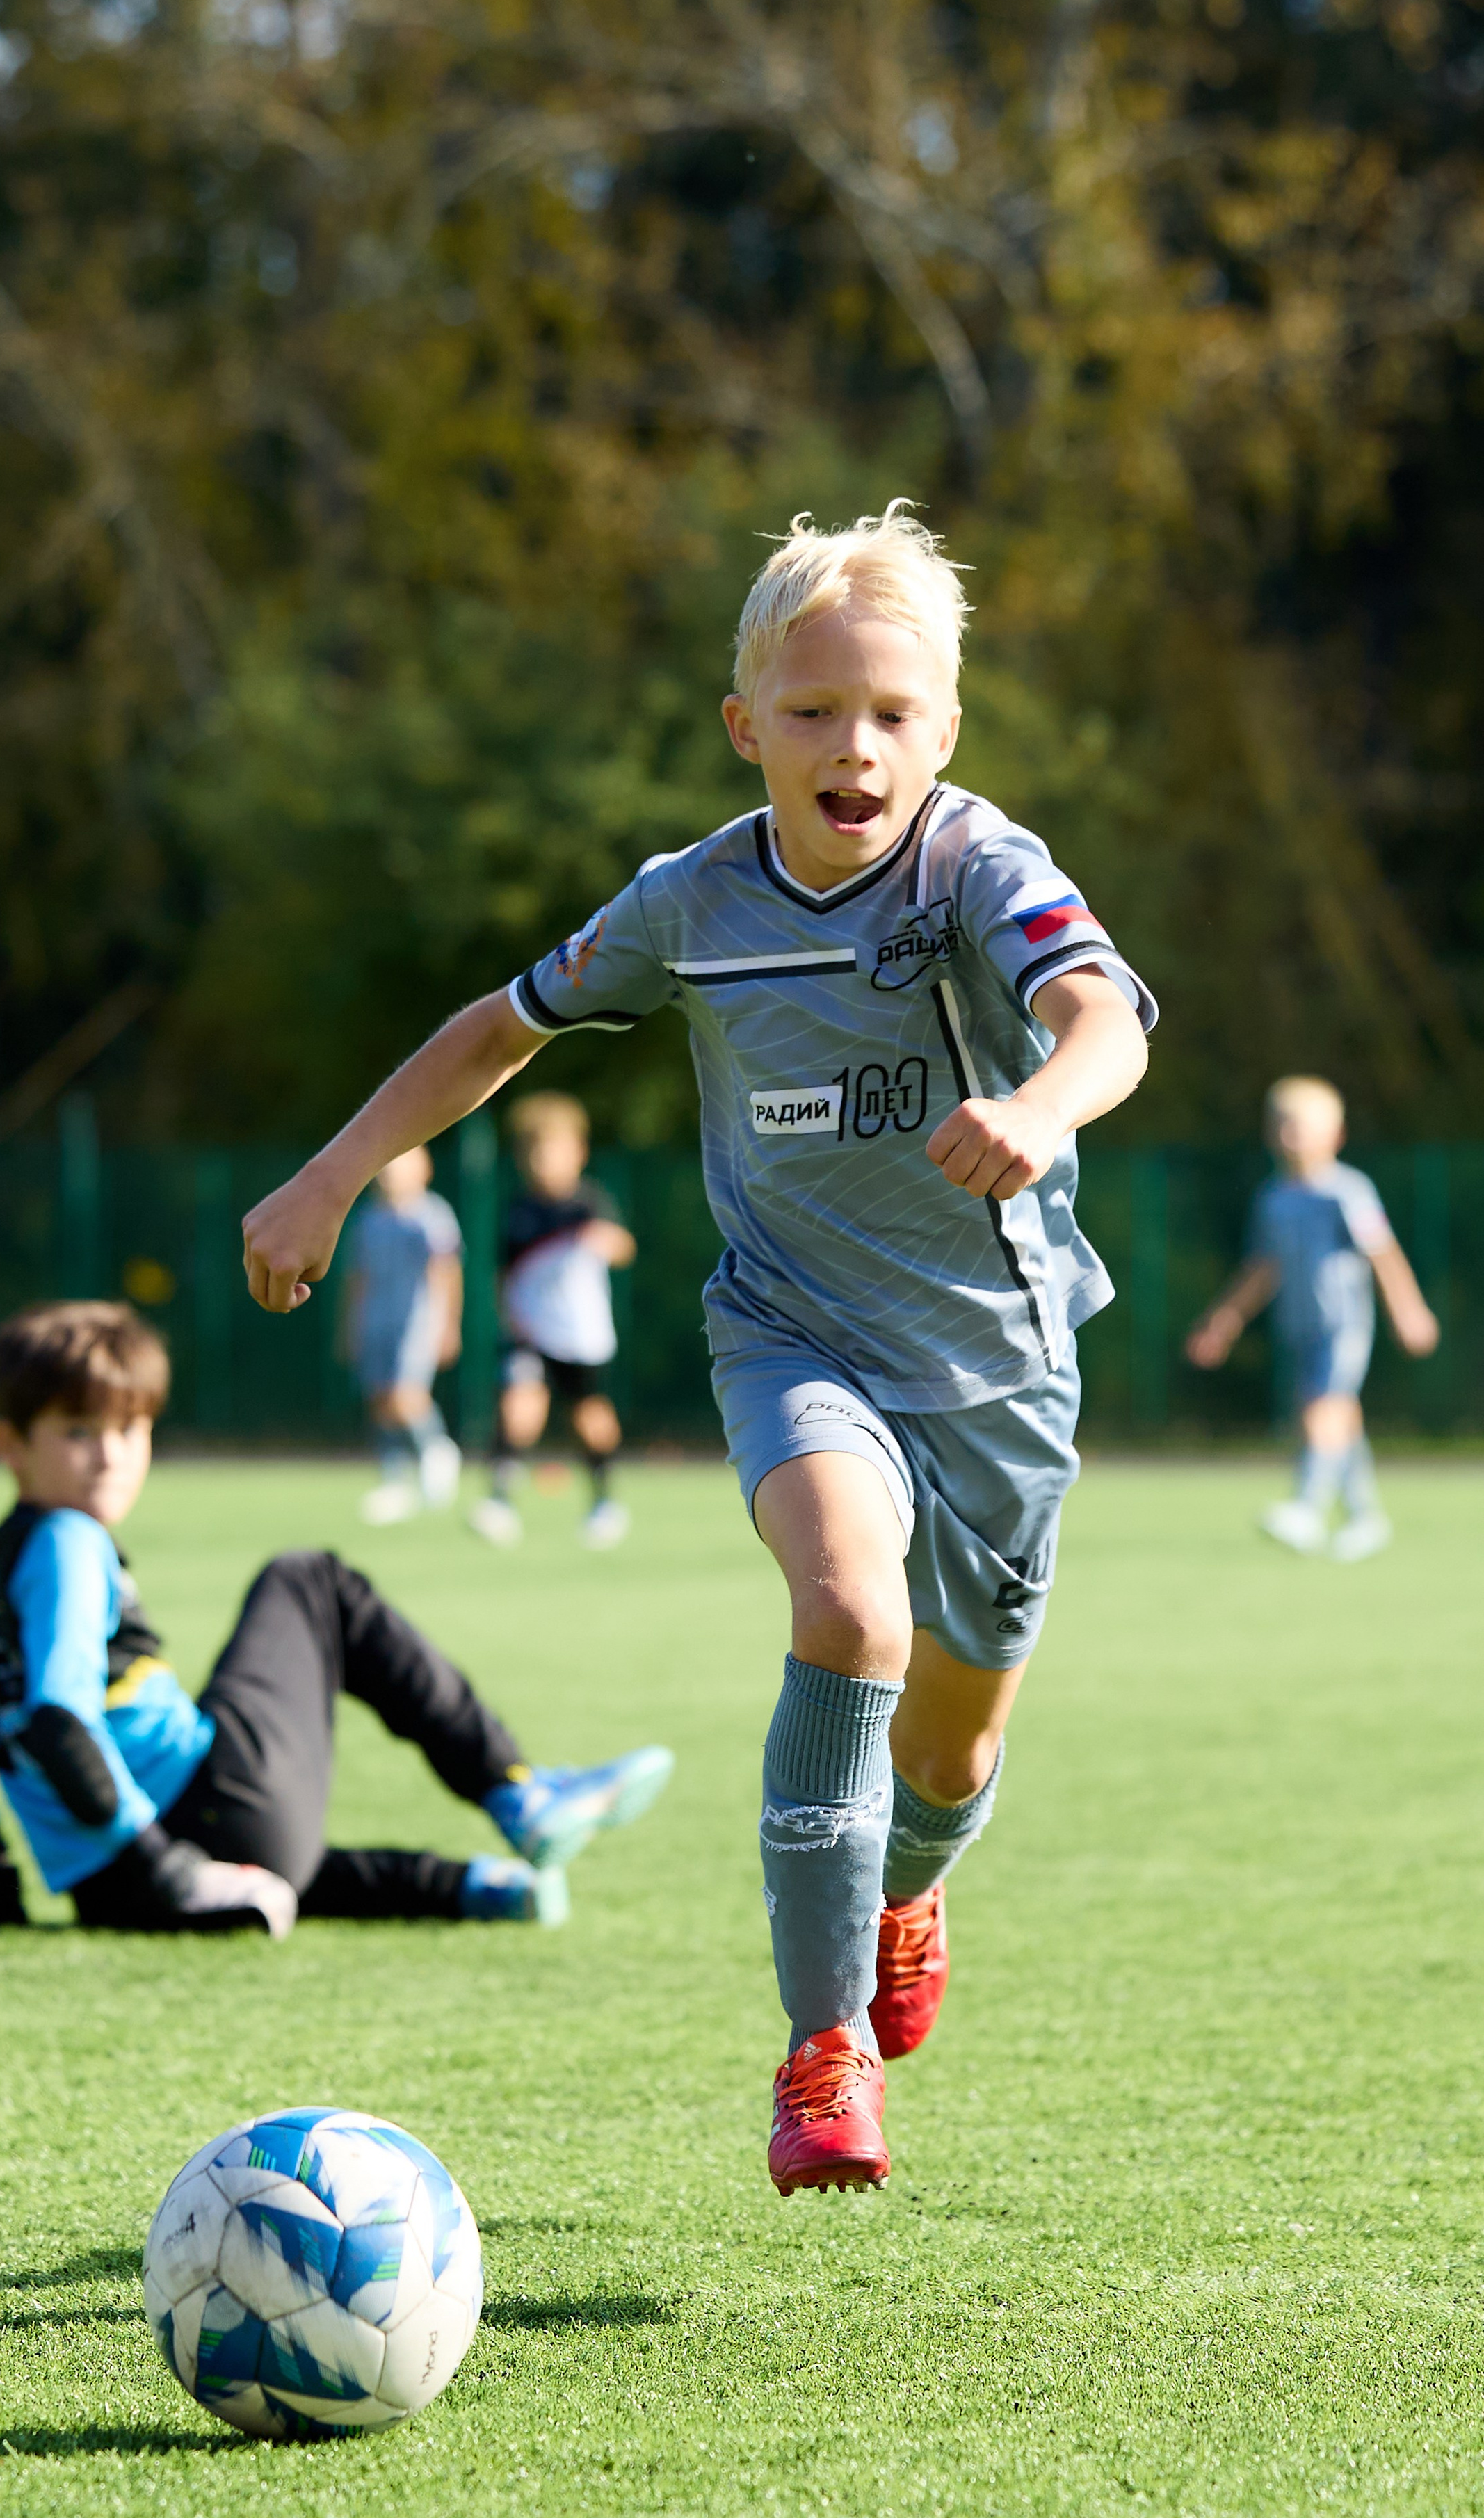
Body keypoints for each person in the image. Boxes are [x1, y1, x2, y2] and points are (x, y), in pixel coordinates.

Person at [241, 501, 1155, 2197]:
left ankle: (901, 1884)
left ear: (942, 730)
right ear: (747, 731)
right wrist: (329, 1171)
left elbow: (1100, 1014)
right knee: (845, 1606)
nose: (851, 744)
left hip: (998, 1374)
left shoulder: (976, 867)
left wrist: (1033, 1105)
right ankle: (822, 2061)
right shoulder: (691, 902)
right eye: (810, 712)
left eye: (889, 713)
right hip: (789, 1334)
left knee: (945, 1758)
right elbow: (494, 1030)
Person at [0, 1300, 672, 1935]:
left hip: (108, 1894)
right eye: (78, 1432)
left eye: (130, 1428)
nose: (111, 1455)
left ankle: (476, 1887)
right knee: (309, 1580)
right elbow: (61, 1719)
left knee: (275, 1856)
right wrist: (163, 1865)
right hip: (180, 1838)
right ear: (10, 1444)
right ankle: (517, 1795)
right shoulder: (68, 1540)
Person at [1185, 1075, 1437, 1558]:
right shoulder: (1273, 1197)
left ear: (1335, 1134)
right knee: (1336, 1418)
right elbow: (1262, 1268)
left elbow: (1383, 1253)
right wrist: (1224, 1321)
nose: (1289, 1135)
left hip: (1343, 1325)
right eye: (1281, 1125)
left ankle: (1307, 1507)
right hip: (1299, 1327)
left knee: (1322, 1410)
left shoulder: (1348, 1191)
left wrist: (1409, 1311)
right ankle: (1366, 1517)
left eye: (1301, 1126)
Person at [469, 1092, 636, 1551]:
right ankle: (499, 1502)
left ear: (578, 1153)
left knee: (588, 1413)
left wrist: (603, 1238)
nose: (545, 1160)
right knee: (519, 1403)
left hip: (581, 1335)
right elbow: (505, 1275)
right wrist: (510, 1318)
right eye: (535, 1150)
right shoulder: (517, 1210)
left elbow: (623, 1248)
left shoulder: (589, 1203)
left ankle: (605, 1501)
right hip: (530, 1332)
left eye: (555, 1149)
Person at [341, 1146, 463, 1525]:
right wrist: (350, 1327)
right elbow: (357, 1278)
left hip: (417, 1322)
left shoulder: (432, 1215)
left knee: (406, 1395)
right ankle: (395, 1479)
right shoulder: (368, 1219)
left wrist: (447, 1325)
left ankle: (437, 1453)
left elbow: (446, 1271)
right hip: (376, 1320)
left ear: (423, 1170)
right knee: (380, 1397)